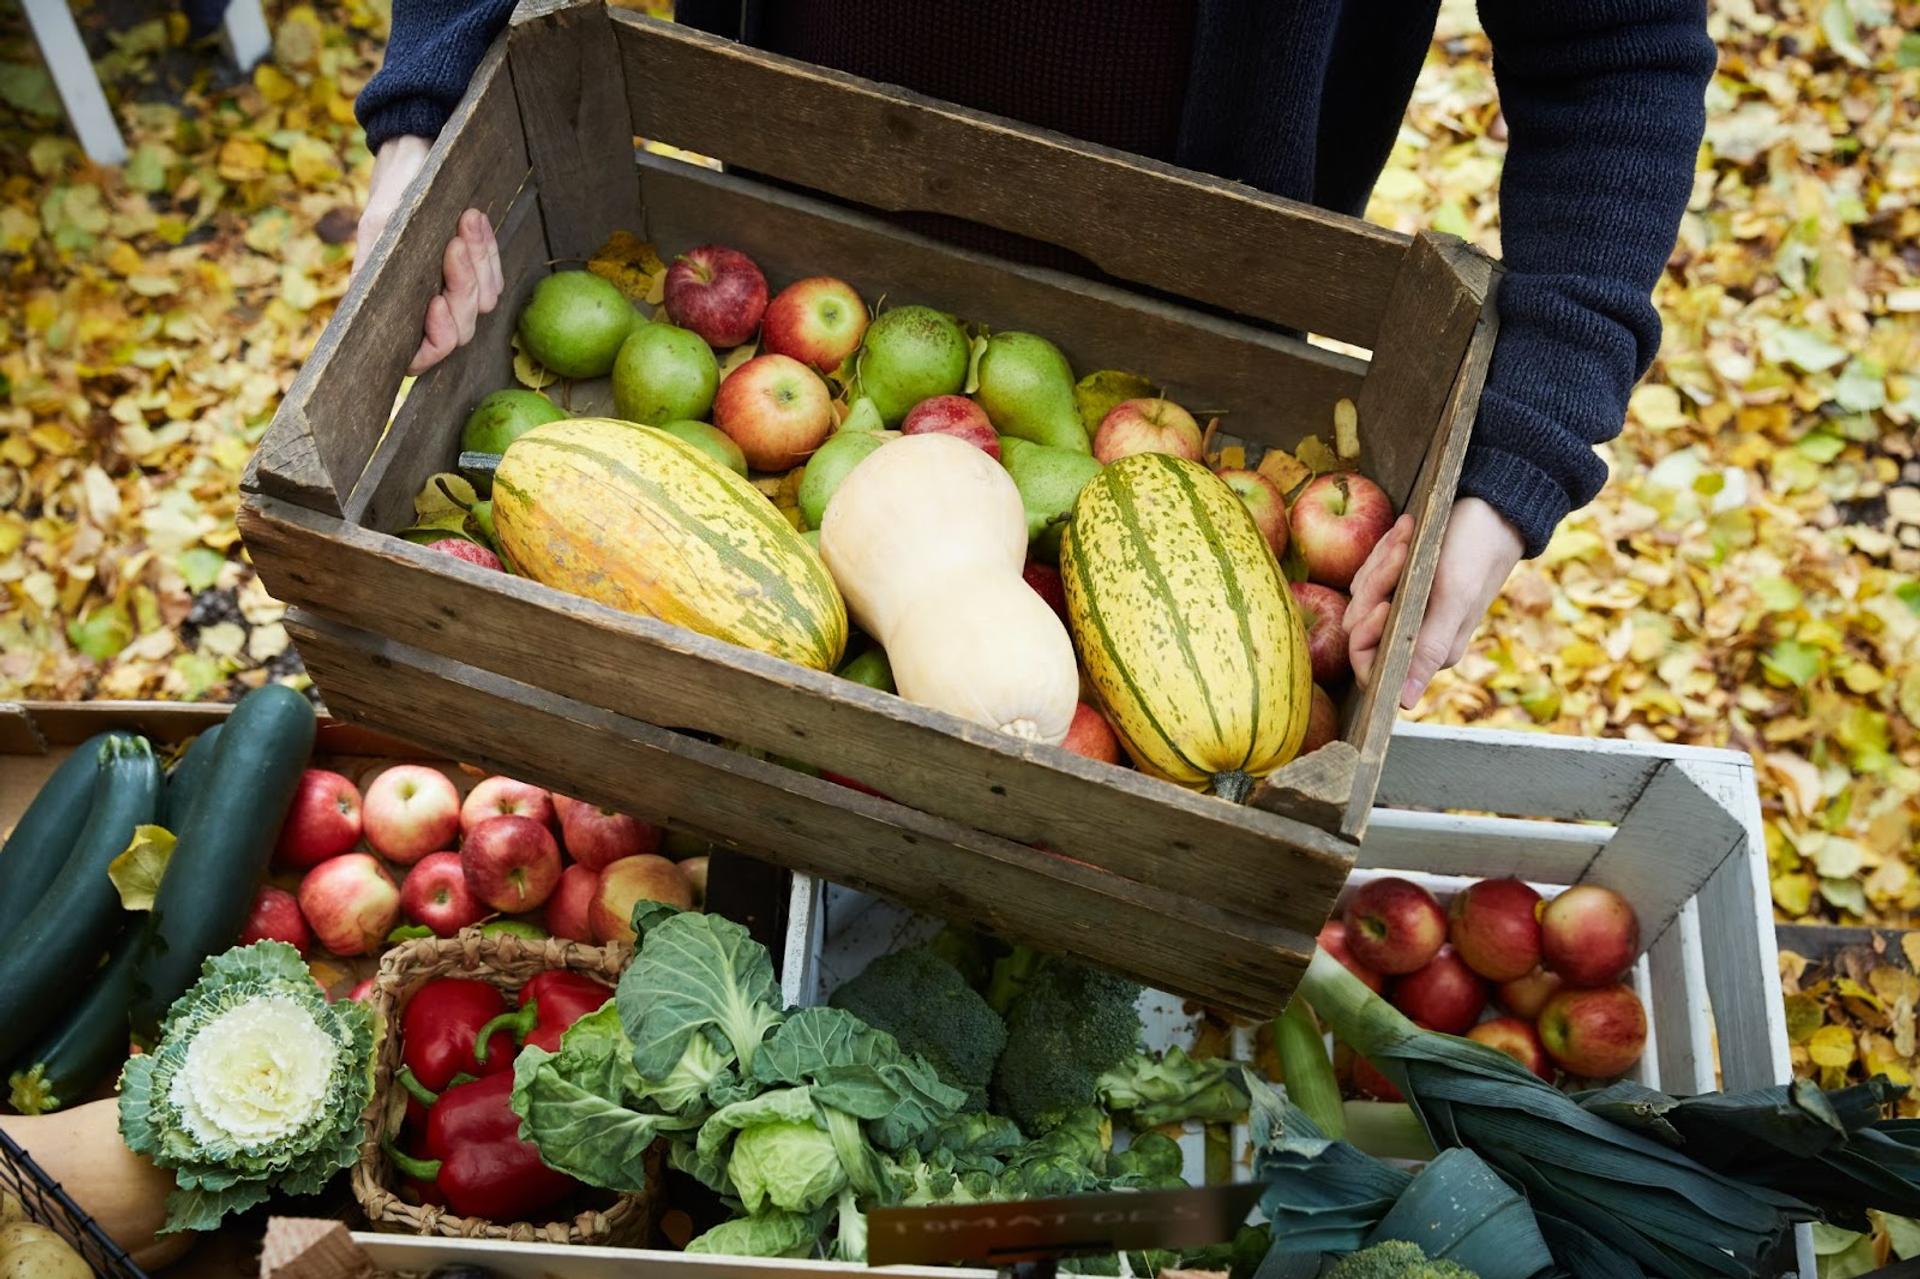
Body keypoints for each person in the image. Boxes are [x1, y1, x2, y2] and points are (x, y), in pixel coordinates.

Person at [351, 2, 1715, 707]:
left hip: (1199, 332)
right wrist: (433, 99)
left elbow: (1615, 43)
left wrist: (1523, 440)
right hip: (775, 233)